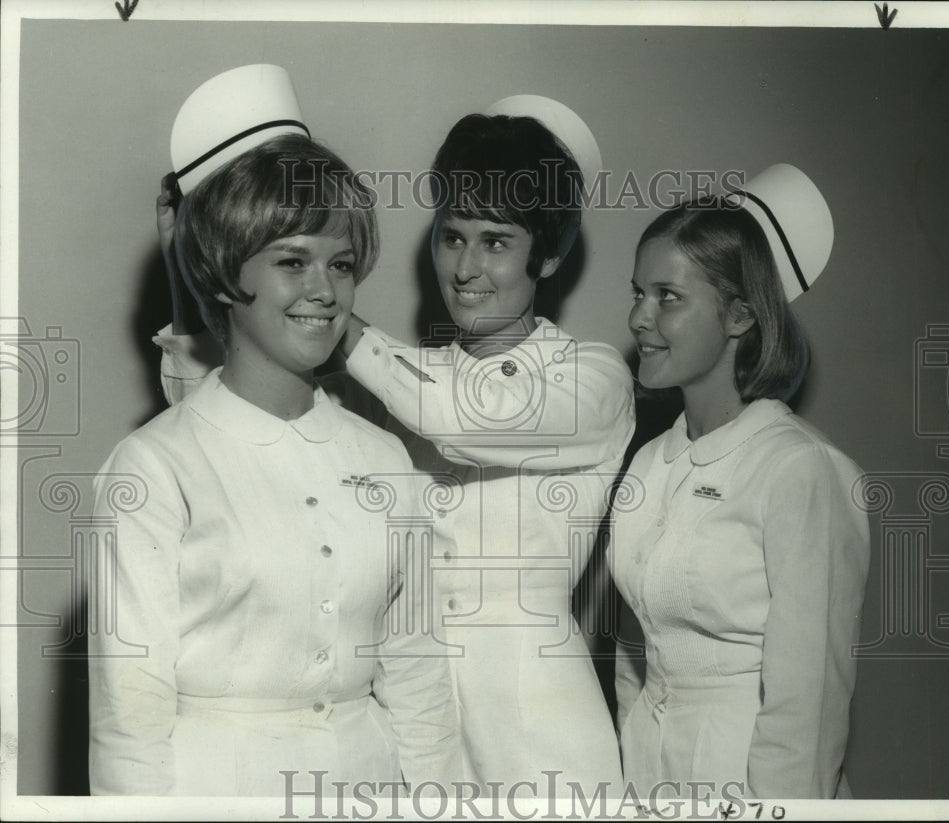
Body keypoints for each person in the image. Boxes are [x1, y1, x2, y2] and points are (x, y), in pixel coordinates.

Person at [155, 96, 634, 797]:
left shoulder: (592, 377)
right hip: (409, 710)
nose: (465, 267)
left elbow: (467, 419)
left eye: (496, 241)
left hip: (535, 720)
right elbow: (220, 410)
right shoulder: (410, 376)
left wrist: (330, 313)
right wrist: (190, 262)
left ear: (551, 255)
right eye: (452, 235)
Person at [88, 65, 460, 797]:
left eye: (342, 263)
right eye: (293, 261)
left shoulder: (385, 457)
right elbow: (129, 726)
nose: (325, 291)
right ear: (226, 272)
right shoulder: (153, 469)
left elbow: (419, 684)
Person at [610, 165, 870, 801]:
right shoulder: (646, 464)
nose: (640, 318)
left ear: (740, 316)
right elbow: (631, 659)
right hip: (647, 774)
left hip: (749, 779)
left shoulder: (800, 469)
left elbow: (808, 700)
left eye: (667, 297)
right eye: (638, 292)